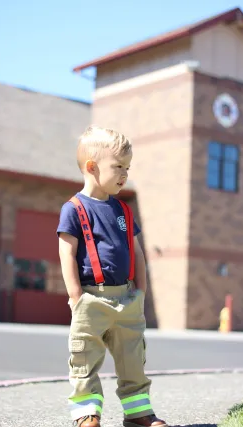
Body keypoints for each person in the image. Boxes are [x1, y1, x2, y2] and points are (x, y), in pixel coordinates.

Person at [57, 126, 168, 427]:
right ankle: (86, 414)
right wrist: (76, 296)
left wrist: (141, 291)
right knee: (85, 359)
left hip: (127, 297)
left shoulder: (123, 210)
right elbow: (66, 253)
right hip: (91, 298)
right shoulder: (74, 209)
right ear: (92, 167)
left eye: (127, 168)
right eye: (118, 166)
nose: (125, 173)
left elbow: (138, 253)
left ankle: (138, 413)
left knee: (133, 359)